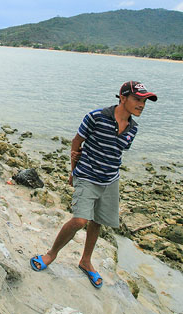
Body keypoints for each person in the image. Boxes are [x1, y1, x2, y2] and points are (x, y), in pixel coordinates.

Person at [30, 81, 157, 289]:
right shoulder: (96, 117)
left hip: (110, 180)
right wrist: (73, 172)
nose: (142, 104)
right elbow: (76, 143)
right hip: (87, 176)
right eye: (137, 99)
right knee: (80, 220)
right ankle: (51, 254)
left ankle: (85, 260)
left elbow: (116, 153)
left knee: (97, 221)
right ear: (122, 98)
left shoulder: (133, 129)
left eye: (144, 101)